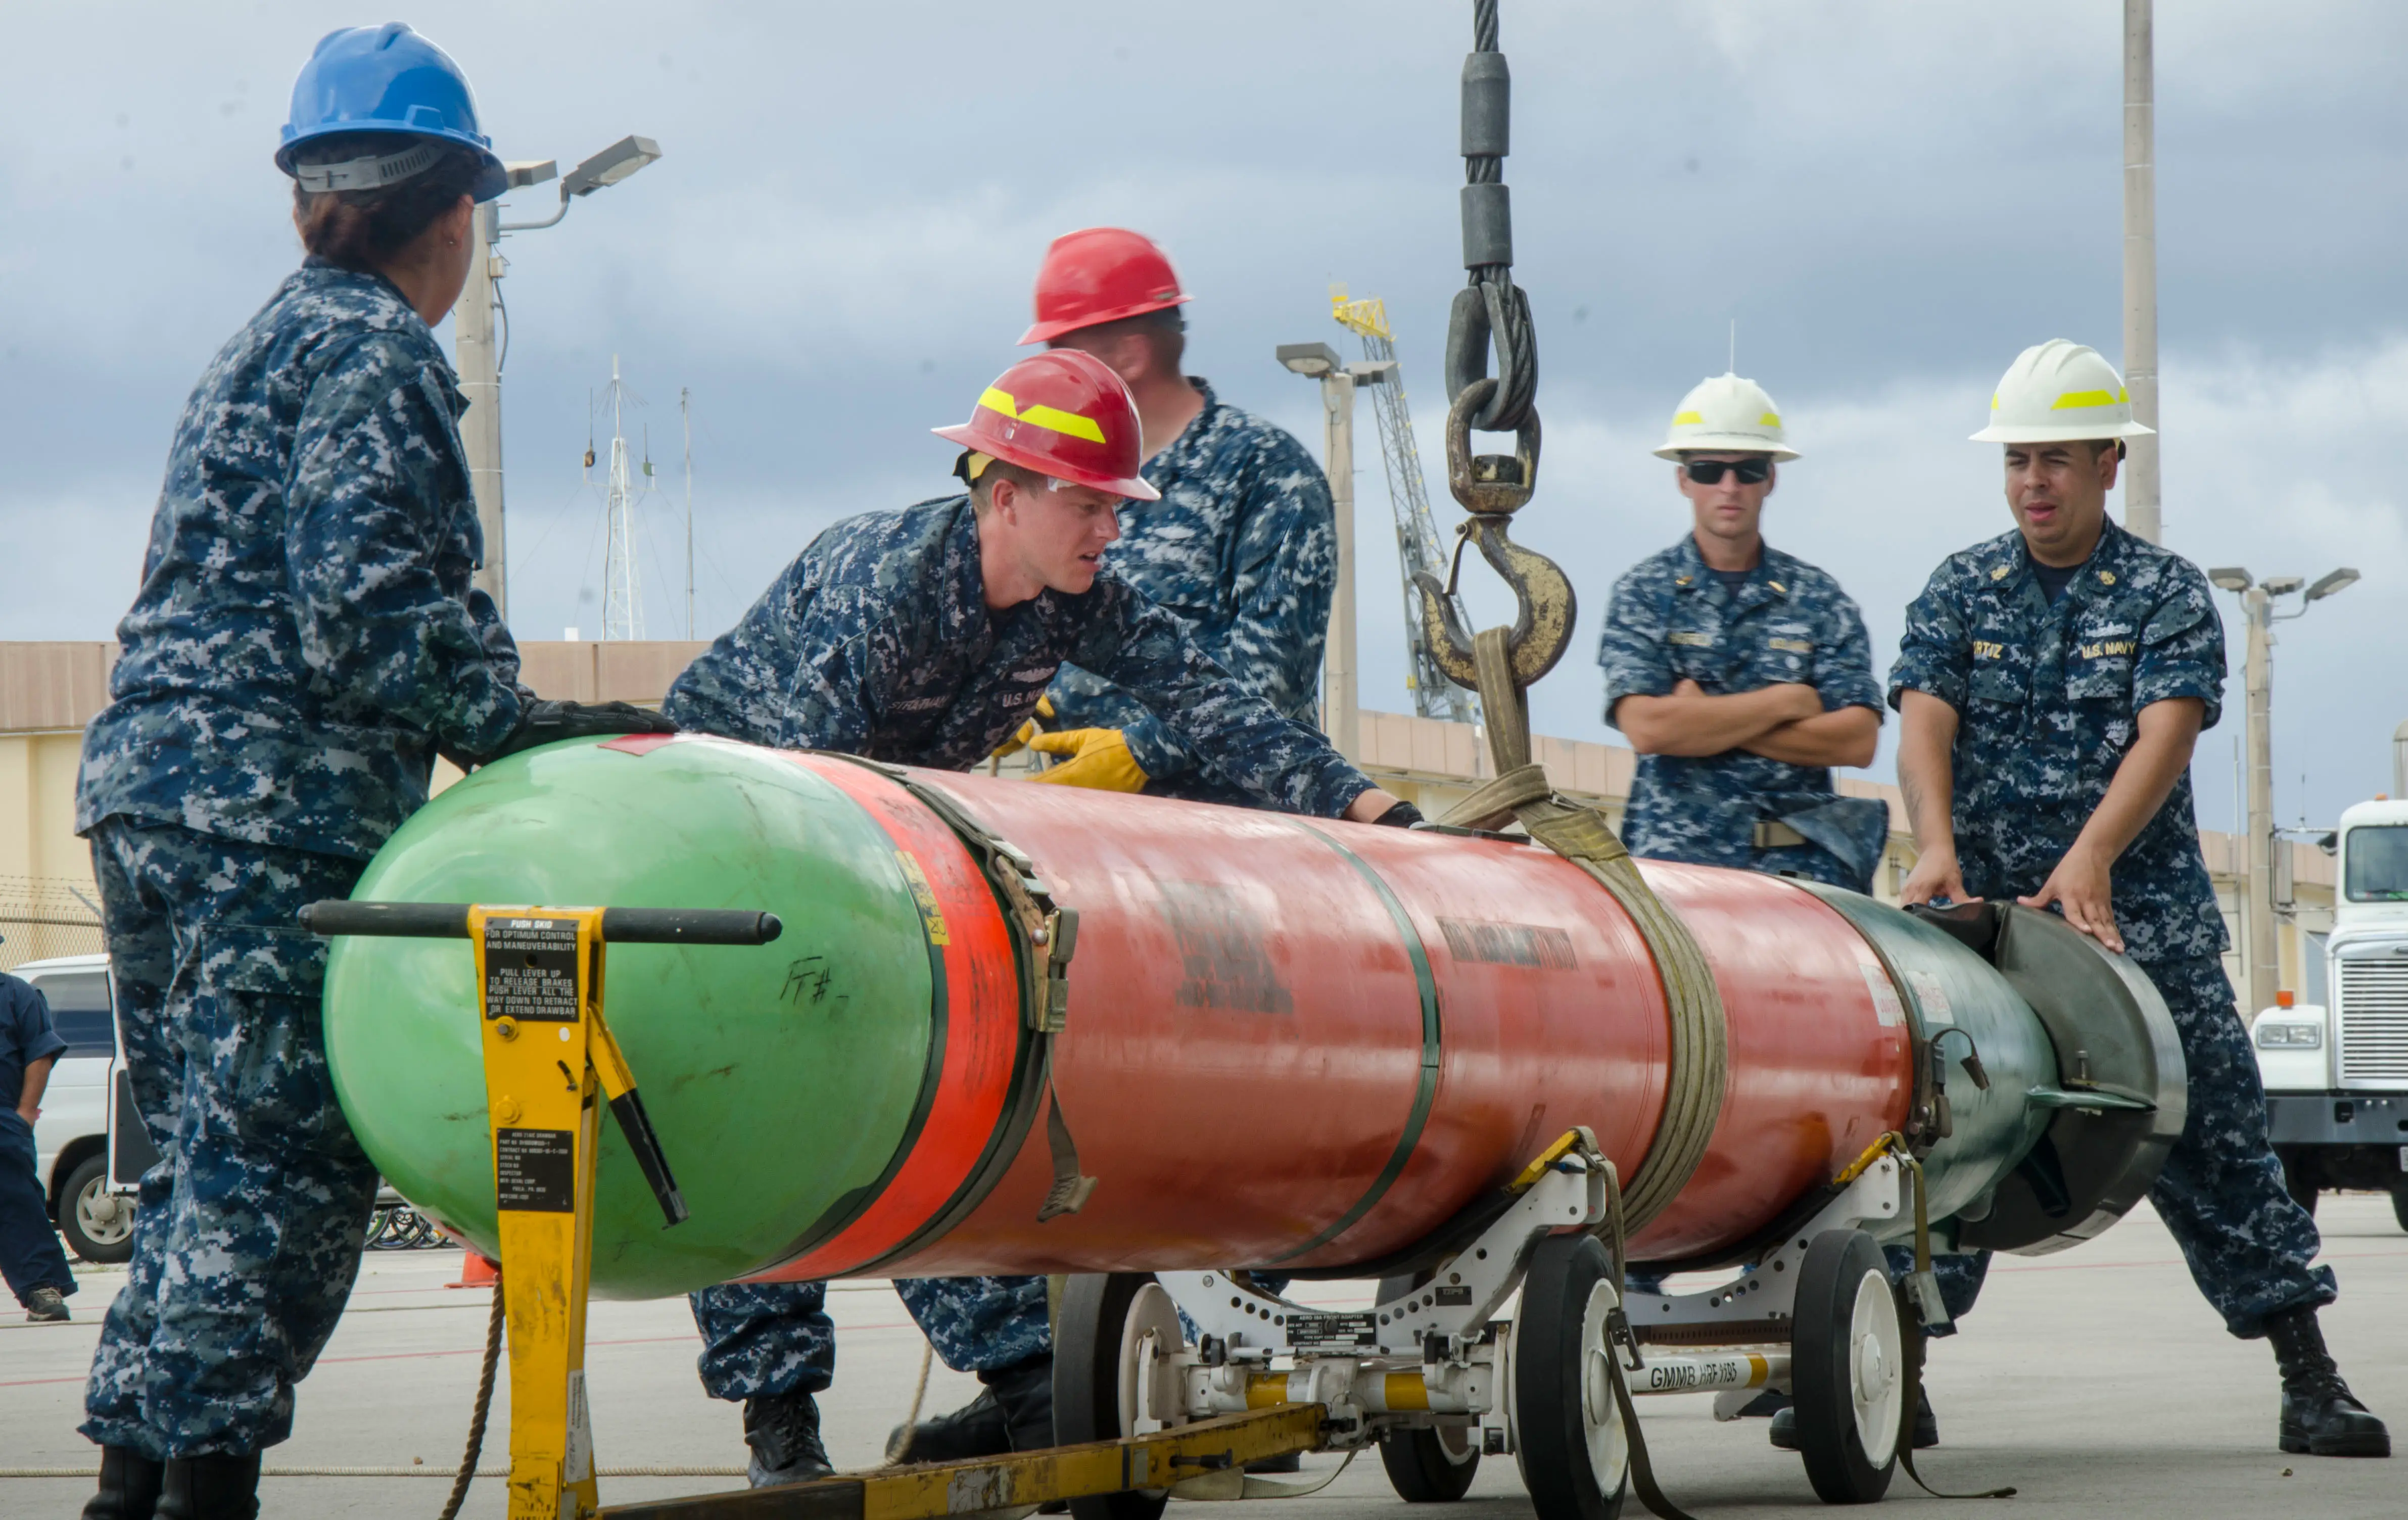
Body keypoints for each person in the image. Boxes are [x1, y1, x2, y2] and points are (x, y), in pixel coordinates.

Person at [69, 27, 670, 1520]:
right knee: (270, 1190)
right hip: (267, 818)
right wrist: (534, 730)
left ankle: (129, 1495)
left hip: (155, 793)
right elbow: (372, 617)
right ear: (455, 217)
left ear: (305, 203)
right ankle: (201, 1500)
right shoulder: (373, 352)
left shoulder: (259, 345)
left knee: (200, 1179)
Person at [667, 348, 1415, 1485]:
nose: (1108, 528)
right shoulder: (893, 589)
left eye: (1117, 505)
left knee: (920, 1099)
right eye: (1086, 502)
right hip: (729, 829)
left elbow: (1215, 703)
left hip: (865, 831)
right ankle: (781, 1420)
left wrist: (1378, 811)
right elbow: (799, 788)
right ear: (1004, 496)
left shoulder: (1071, 600)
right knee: (773, 1106)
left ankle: (1024, 1377)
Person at [1887, 338, 2389, 1459]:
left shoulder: (2163, 591)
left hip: (2135, 924)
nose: (2034, 481)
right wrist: (1931, 846)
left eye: (2057, 457)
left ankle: (2309, 1377)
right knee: (1935, 1136)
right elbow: (1923, 715)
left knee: (2217, 1136)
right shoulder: (1960, 587)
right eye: (2018, 457)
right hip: (1984, 931)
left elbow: (2166, 731)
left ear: (2110, 460)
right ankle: (1891, 1371)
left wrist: (2094, 855)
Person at [1597, 374, 1967, 1448]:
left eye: (1747, 469)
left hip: (1802, 902)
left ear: (1771, 480)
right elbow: (1648, 728)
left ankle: (1872, 1352)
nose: (1727, 486)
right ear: (1680, 479)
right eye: (1708, 468)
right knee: (1679, 1108)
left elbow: (1855, 740)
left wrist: (1714, 714)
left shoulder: (1819, 598)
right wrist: (1780, 705)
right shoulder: (1642, 593)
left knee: (1839, 1121)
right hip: (1676, 902)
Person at [1, 945, 76, 1325]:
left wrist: (25, 1114)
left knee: (17, 1202)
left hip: (3, 1121)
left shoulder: (17, 995)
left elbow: (39, 1054)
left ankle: (40, 1288)